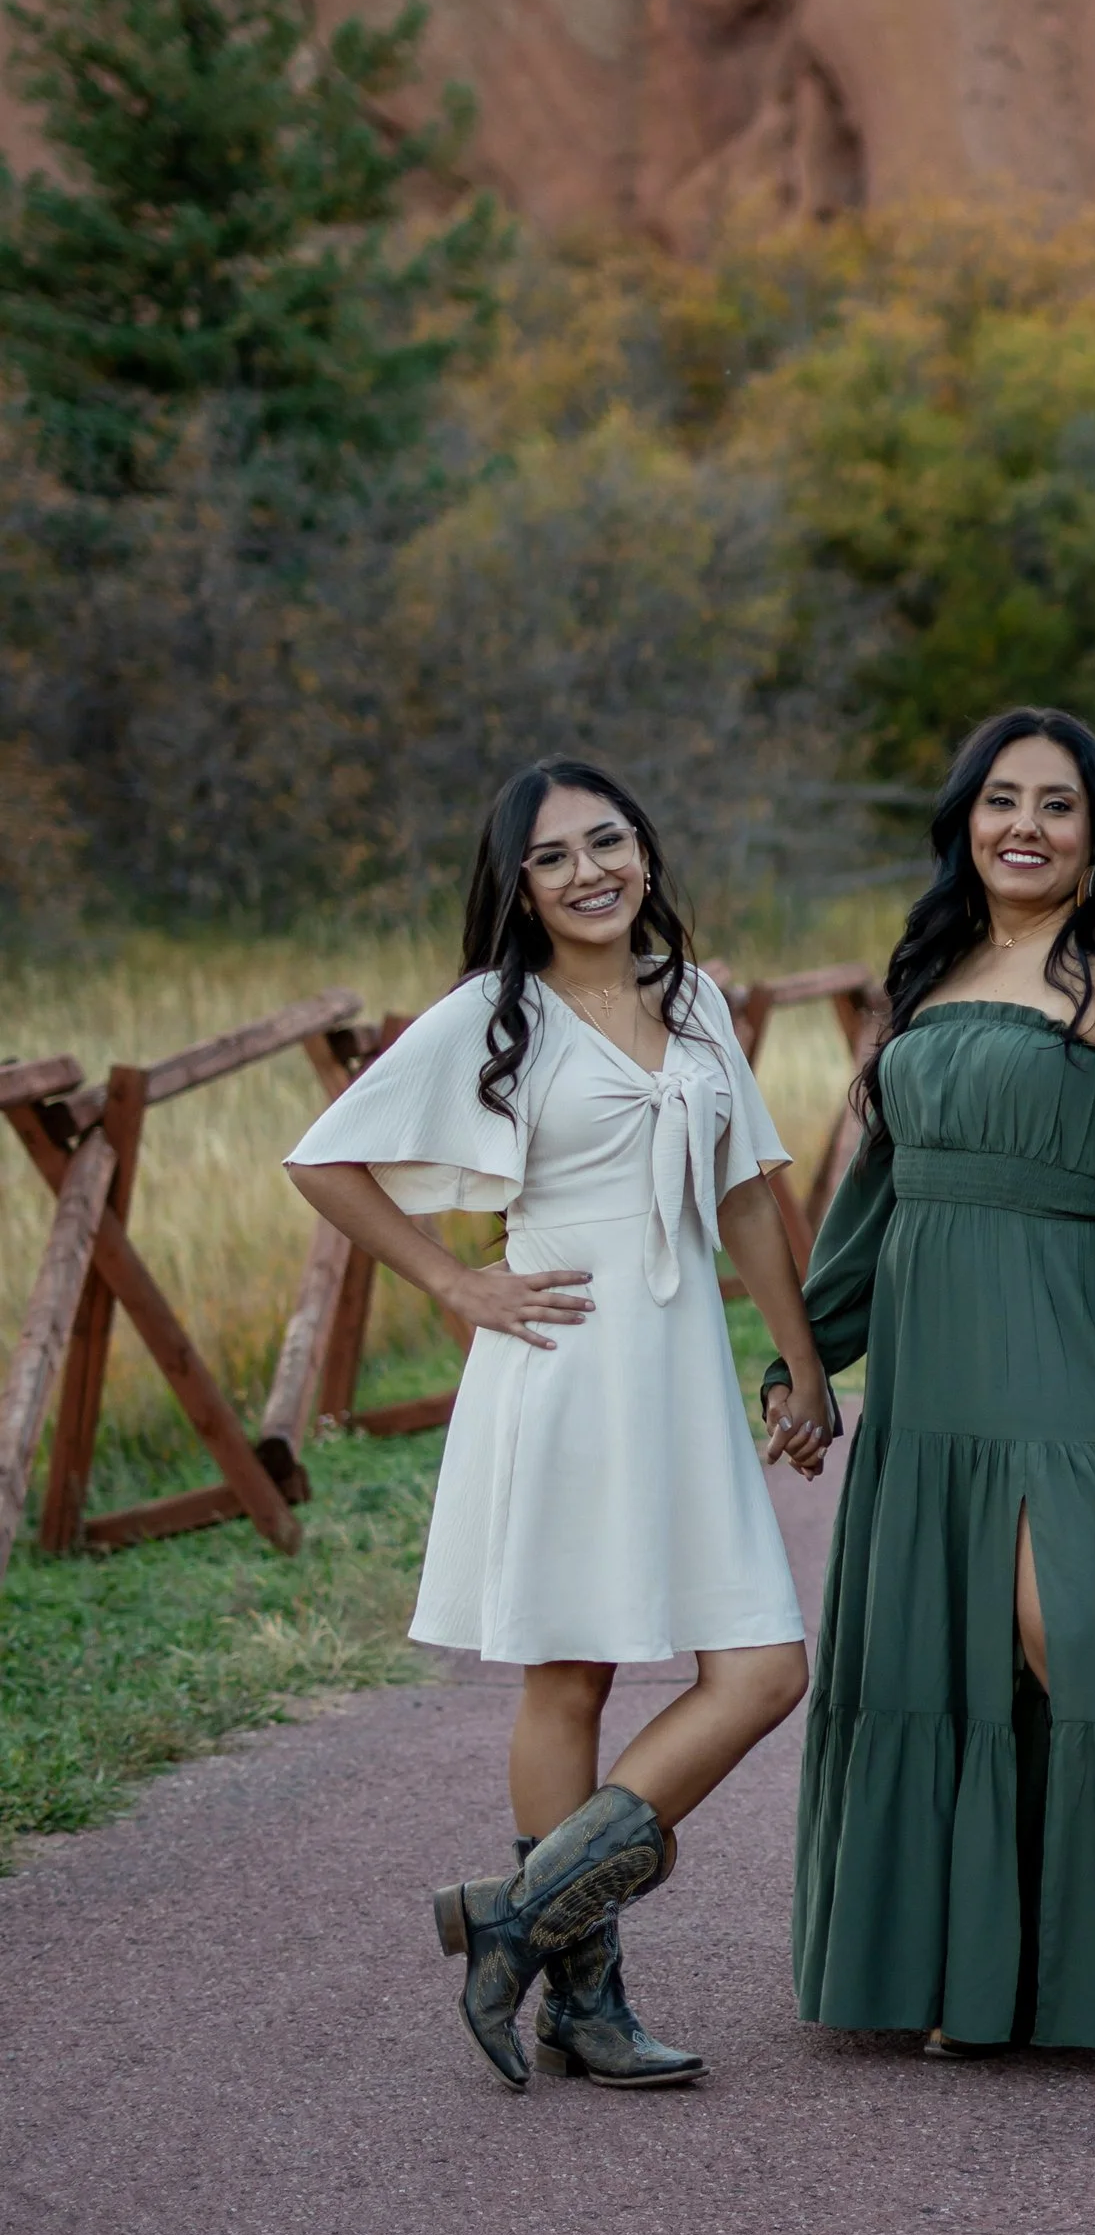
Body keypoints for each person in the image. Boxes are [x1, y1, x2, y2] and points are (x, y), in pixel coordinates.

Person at [285, 758, 835, 2093]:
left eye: (609, 841)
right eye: (553, 857)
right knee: (571, 1677)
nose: (589, 870)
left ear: (645, 850)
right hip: (566, 1362)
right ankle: (582, 2001)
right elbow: (323, 1158)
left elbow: (750, 1198)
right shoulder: (493, 1013)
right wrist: (454, 1279)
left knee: (764, 1669)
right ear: (517, 886)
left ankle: (515, 1918)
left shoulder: (693, 996)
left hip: (684, 1373)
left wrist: (805, 1363)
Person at [768, 709, 1095, 2100]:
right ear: (965, 820)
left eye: (1057, 803)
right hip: (929, 1363)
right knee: (952, 1655)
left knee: (1079, 1636)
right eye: (1001, 800)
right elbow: (877, 1185)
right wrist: (809, 1354)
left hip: (1069, 1345)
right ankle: (966, 1973)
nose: (1026, 826)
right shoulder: (925, 962)